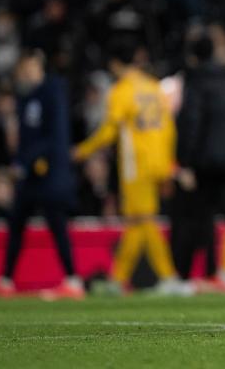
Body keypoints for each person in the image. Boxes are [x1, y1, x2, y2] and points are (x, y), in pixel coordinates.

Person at [72, 38, 190, 296]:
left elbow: (109, 131)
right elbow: (170, 128)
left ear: (115, 64)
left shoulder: (121, 90)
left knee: (144, 220)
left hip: (136, 164)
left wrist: (83, 150)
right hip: (158, 160)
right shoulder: (154, 88)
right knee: (137, 222)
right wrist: (169, 164)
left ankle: (170, 278)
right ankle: (117, 279)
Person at [0, 50, 83, 299]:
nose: (26, 72)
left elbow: (54, 136)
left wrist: (24, 162)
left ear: (38, 65)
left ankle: (73, 280)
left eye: (29, 67)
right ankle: (6, 279)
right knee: (16, 222)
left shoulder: (52, 93)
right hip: (30, 175)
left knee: (56, 224)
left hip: (50, 173)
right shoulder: (26, 97)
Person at [172, 31, 225, 284]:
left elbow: (191, 123)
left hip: (206, 161)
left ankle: (185, 276)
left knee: (196, 216)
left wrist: (184, 162)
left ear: (192, 56)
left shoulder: (196, 80)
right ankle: (213, 271)